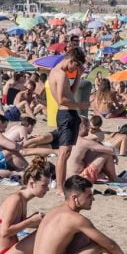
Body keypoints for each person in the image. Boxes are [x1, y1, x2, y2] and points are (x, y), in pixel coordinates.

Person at [0, 157, 54, 254]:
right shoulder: (15, 199)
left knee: (48, 227)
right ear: (32, 183)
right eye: (44, 185)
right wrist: (30, 221)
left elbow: (16, 226)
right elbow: (4, 232)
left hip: (9, 253)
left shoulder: (23, 199)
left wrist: (37, 221)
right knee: (45, 232)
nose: (47, 189)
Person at [47, 47, 88, 192]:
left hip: (69, 114)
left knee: (66, 153)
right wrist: (80, 105)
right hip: (66, 114)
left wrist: (78, 76)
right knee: (63, 153)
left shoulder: (59, 72)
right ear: (71, 60)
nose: (75, 68)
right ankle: (59, 187)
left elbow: (70, 93)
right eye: (76, 65)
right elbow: (62, 100)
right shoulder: (60, 74)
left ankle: (61, 184)